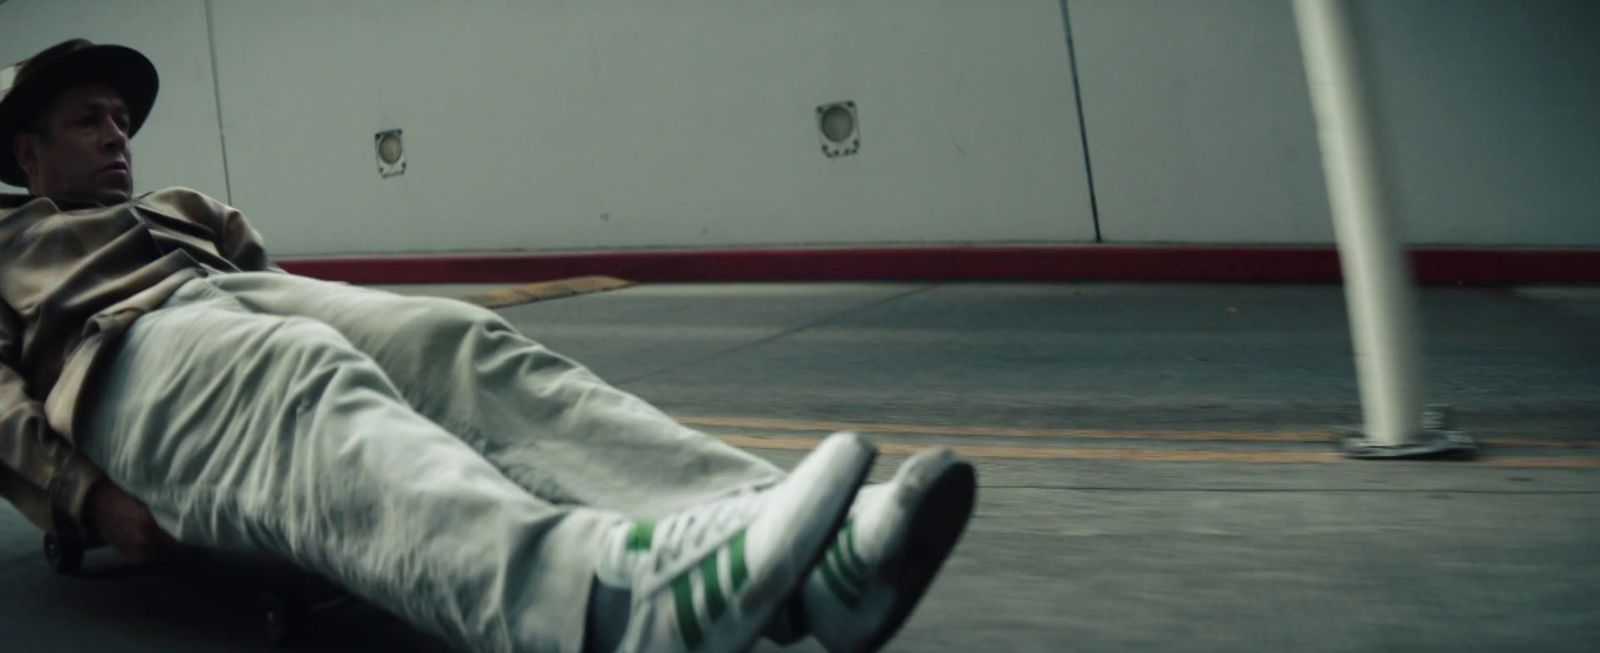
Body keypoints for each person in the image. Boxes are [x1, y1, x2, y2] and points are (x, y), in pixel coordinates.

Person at [0, 38, 976, 653]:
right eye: (89, 122)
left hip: (238, 292)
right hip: (121, 351)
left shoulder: (185, 209)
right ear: (28, 155)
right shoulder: (10, 243)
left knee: (452, 336)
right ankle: (593, 602)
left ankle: (801, 560)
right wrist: (83, 493)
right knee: (294, 375)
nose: (118, 137)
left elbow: (280, 288)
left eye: (123, 120)